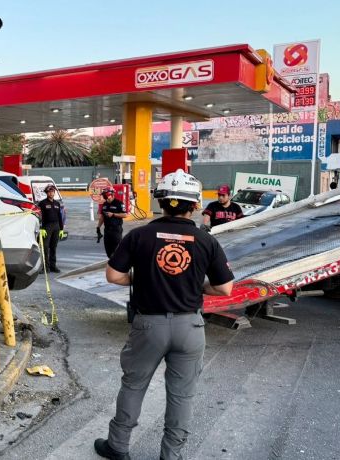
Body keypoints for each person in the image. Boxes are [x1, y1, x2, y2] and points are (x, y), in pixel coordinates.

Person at [94, 169, 234, 460]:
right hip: (190, 327)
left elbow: (113, 275)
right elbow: (225, 288)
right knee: (182, 395)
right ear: (195, 204)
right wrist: (196, 284)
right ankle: (171, 455)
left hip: (148, 326)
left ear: (160, 200)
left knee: (133, 385)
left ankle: (118, 446)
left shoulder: (139, 235)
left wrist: (144, 277)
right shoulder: (206, 241)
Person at [38, 185, 65, 273]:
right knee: (45, 247)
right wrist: (41, 228)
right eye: (49, 192)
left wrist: (61, 229)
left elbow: (60, 217)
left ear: (54, 192)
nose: (51, 193)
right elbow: (39, 217)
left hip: (56, 226)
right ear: (47, 193)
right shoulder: (42, 203)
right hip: (47, 227)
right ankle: (46, 267)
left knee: (53, 247)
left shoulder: (57, 203)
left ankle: (53, 266)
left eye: (52, 192)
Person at [97, 187, 128, 257]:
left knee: (116, 250)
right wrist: (98, 227)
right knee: (108, 251)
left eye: (106, 194)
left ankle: (117, 265)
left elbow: (125, 215)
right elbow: (102, 217)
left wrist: (113, 214)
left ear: (111, 194)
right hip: (107, 230)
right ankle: (112, 263)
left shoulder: (119, 203)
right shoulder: (105, 204)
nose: (104, 196)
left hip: (116, 230)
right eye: (104, 195)